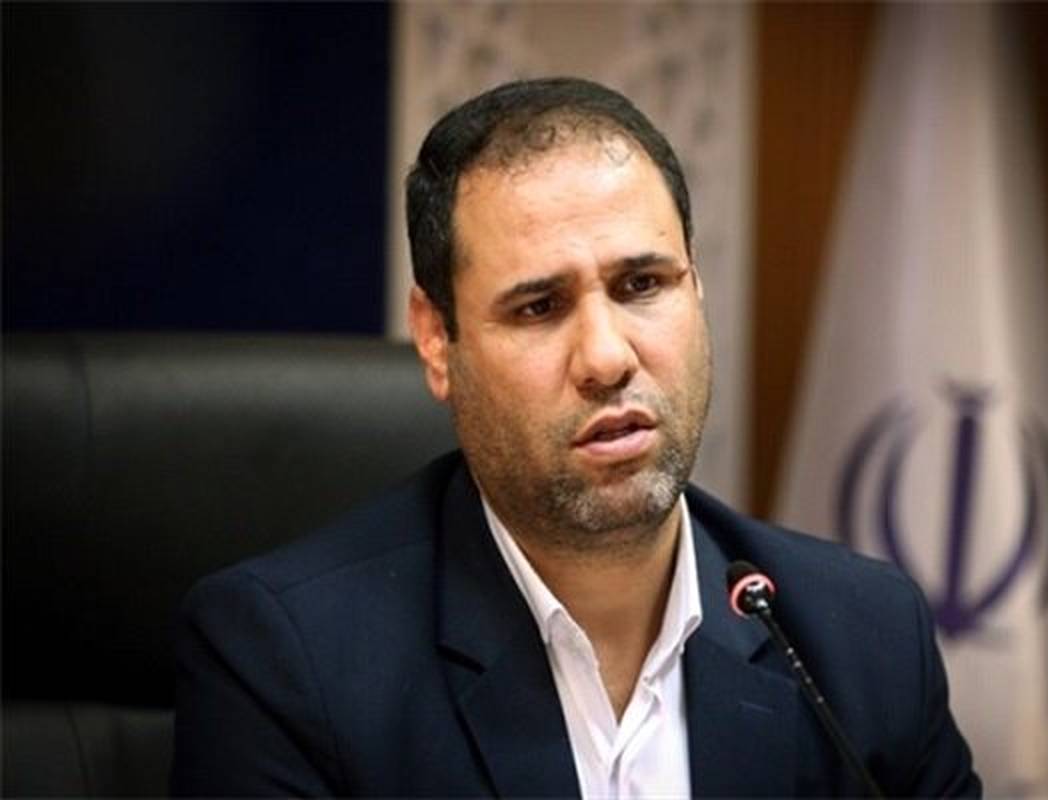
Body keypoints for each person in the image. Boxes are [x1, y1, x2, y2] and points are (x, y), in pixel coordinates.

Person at [171, 77, 981, 798]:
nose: (606, 358)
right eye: (538, 307)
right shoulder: (287, 664)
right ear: (436, 340)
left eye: (642, 284)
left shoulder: (863, 642)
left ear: (696, 288)